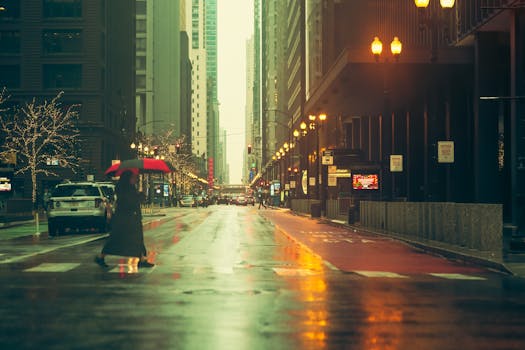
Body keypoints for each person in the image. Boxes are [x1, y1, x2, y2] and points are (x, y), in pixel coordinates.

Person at [94, 170, 154, 268]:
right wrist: (139, 197)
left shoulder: (129, 188)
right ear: (128, 178)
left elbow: (133, 201)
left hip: (129, 218)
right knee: (117, 239)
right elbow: (128, 203)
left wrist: (139, 196)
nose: (136, 179)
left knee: (137, 239)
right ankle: (101, 257)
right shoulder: (123, 189)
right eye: (134, 177)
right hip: (125, 219)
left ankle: (142, 259)